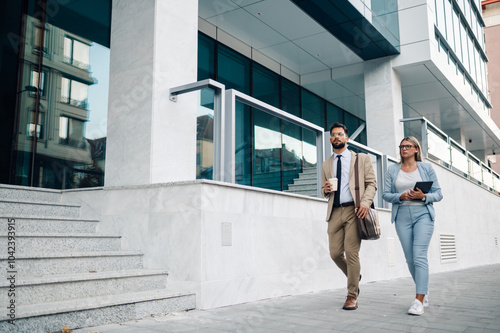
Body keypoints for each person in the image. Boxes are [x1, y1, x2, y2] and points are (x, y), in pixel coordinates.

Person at [382, 136, 443, 316]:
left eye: (408, 146)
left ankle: (419, 300)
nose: (404, 149)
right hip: (402, 216)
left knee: (419, 256)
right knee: (409, 259)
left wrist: (423, 196)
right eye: (401, 146)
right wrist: (401, 196)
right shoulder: (392, 170)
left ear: (416, 149)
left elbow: (438, 194)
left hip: (423, 214)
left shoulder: (426, 168)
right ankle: (424, 291)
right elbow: (386, 194)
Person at [321, 122, 377, 310]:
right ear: (330, 139)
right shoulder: (326, 164)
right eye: (333, 135)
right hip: (334, 211)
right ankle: (355, 275)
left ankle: (352, 295)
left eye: (340, 134)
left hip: (354, 211)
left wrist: (365, 203)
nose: (336, 137)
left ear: (347, 138)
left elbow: (372, 184)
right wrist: (325, 189)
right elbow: (323, 189)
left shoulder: (361, 159)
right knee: (335, 253)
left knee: (352, 253)